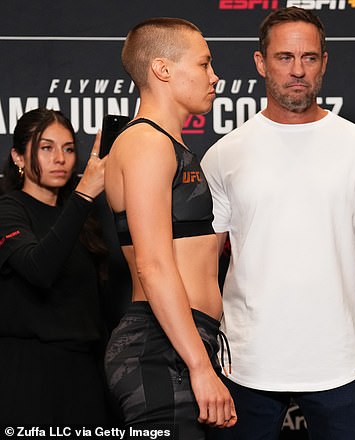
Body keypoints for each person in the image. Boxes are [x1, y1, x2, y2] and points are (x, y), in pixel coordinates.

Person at [200, 6, 355, 440]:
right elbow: (202, 264)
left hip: (340, 361)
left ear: (325, 62)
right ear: (260, 63)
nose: (297, 70)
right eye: (284, 58)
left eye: (309, 58)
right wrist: (198, 358)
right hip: (244, 362)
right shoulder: (224, 155)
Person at [103, 17, 236, 438]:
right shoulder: (146, 143)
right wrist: (199, 367)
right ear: (162, 69)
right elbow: (154, 266)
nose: (215, 76)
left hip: (186, 343)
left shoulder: (167, 144)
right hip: (162, 350)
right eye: (203, 64)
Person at [0, 108, 109, 424]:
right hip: (28, 378)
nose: (60, 158)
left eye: (69, 148)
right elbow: (39, 269)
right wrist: (85, 193)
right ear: (19, 157)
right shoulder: (9, 210)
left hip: (84, 377)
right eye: (46, 148)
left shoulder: (84, 220)